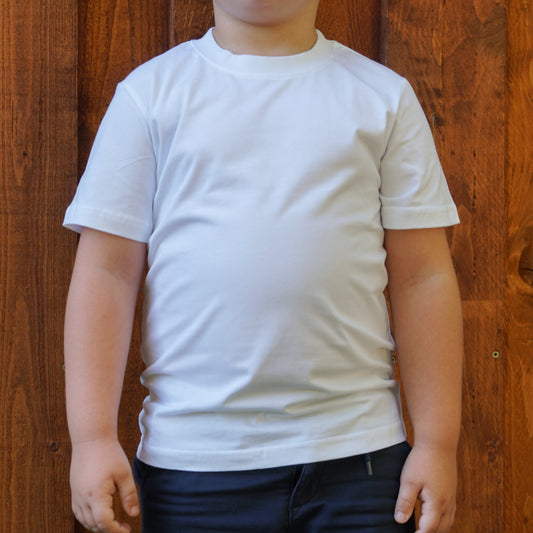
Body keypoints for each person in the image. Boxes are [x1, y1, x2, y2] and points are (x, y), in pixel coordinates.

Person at [63, 1, 463, 532]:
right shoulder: (150, 96)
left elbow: (423, 278)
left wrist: (437, 442)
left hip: (359, 458)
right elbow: (106, 275)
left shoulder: (383, 98)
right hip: (195, 464)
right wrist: (91, 438)